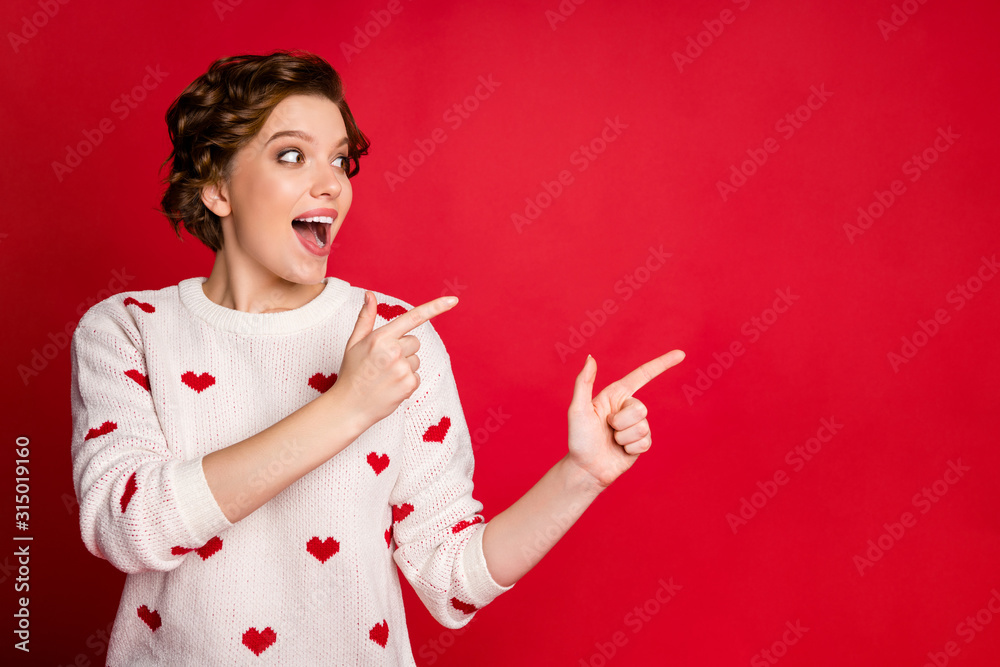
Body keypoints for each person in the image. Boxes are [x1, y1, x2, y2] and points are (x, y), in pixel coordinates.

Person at [69, 49, 685, 665]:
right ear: (216, 188)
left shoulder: (393, 339)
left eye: (340, 159)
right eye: (291, 154)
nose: (332, 181)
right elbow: (130, 527)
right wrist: (348, 406)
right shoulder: (129, 330)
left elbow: (452, 579)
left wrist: (580, 476)